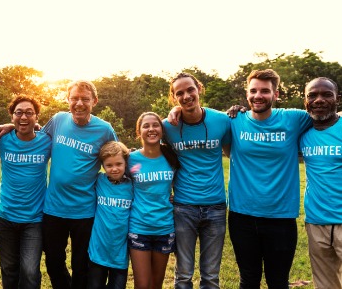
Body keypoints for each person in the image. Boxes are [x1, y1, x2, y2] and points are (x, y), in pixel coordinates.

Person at [0, 80, 117, 288]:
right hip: (52, 210)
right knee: (53, 264)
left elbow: (117, 157)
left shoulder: (104, 129)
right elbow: (37, 134)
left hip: (85, 211)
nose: (79, 104)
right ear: (68, 100)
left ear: (94, 101)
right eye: (74, 98)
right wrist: (12, 125)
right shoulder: (59, 120)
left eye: (85, 99)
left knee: (81, 266)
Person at [227, 69, 311, 288]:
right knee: (248, 279)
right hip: (241, 216)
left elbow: (329, 115)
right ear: (246, 94)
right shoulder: (234, 121)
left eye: (265, 91)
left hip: (281, 217)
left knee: (278, 281)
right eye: (253, 90)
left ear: (276, 94)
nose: (258, 95)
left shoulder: (294, 118)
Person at [164, 72, 231, 288]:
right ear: (174, 98)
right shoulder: (168, 126)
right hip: (184, 207)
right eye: (179, 93)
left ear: (199, 89)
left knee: (211, 276)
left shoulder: (221, 121)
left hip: (216, 207)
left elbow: (232, 152)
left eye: (190, 90)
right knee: (183, 274)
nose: (186, 96)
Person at [0, 95, 51, 289]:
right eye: (19, 113)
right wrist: (9, 126)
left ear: (37, 117)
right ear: (12, 116)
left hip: (35, 219)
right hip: (5, 217)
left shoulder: (47, 141)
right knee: (9, 268)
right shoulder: (1, 138)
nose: (24, 117)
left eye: (29, 113)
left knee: (30, 270)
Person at [128, 112, 179, 289]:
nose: (151, 129)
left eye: (155, 125)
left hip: (164, 227)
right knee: (142, 285)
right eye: (146, 126)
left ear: (162, 130)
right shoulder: (131, 159)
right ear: (139, 132)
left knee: (156, 285)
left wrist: (175, 198)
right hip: (139, 226)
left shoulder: (171, 157)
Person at [299, 77, 342, 289]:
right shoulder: (302, 131)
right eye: (312, 95)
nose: (319, 100)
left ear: (337, 99)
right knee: (325, 285)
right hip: (316, 222)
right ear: (305, 100)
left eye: (326, 94)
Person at [87, 141, 134, 289]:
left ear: (126, 163)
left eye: (119, 164)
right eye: (109, 165)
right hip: (97, 252)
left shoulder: (133, 186)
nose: (114, 169)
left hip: (120, 255)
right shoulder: (99, 181)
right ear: (103, 166)